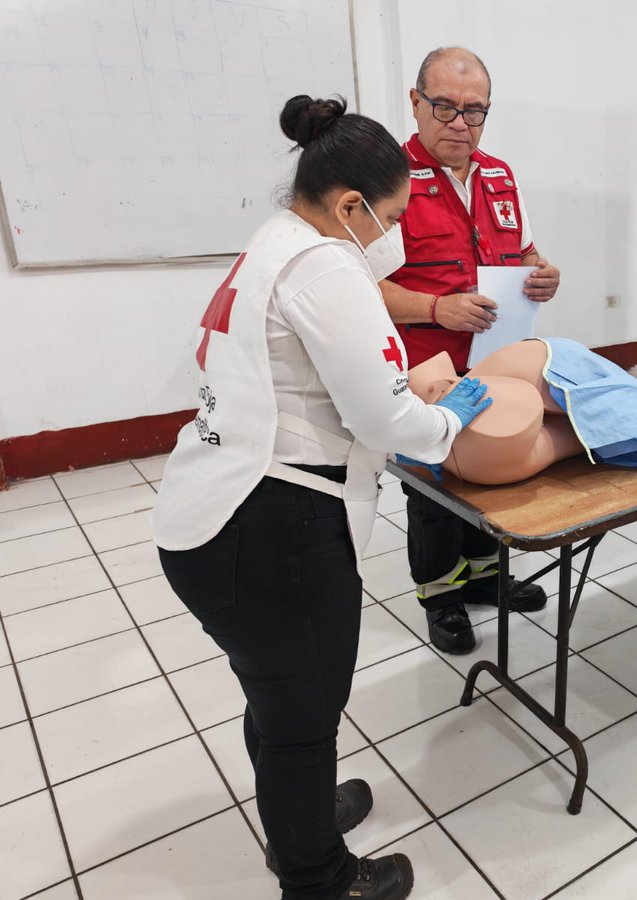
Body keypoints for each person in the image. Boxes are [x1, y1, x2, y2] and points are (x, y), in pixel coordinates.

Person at [152, 95, 493, 900]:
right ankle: (318, 878)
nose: (396, 233)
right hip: (272, 529)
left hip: (214, 511)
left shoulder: (277, 240)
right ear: (350, 206)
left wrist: (399, 387)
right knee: (304, 711)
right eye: (394, 215)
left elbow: (324, 381)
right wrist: (444, 419)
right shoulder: (328, 265)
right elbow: (381, 417)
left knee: (277, 693)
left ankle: (298, 816)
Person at [376, 47, 561, 654]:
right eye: (445, 107)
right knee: (434, 487)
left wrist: (543, 273)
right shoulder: (385, 180)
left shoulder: (500, 174)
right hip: (424, 365)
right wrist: (435, 307)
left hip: (495, 359)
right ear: (415, 102)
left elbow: (526, 253)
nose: (460, 123)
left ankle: (487, 579)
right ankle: (441, 597)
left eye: (474, 111)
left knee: (491, 473)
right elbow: (356, 288)